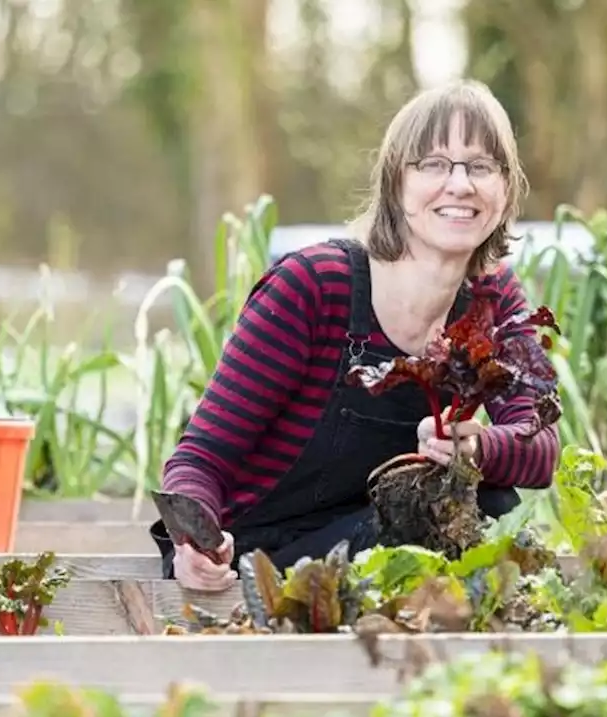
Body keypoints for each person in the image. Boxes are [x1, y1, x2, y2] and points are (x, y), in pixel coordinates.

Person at [150, 79, 561, 592]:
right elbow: (200, 458)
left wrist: (480, 448)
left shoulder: (493, 296)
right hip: (260, 555)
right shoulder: (315, 286)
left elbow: (541, 443)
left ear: (505, 189)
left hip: (382, 547)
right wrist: (196, 544)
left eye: (480, 166)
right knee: (429, 528)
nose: (460, 185)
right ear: (396, 184)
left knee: (488, 502)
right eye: (433, 164)